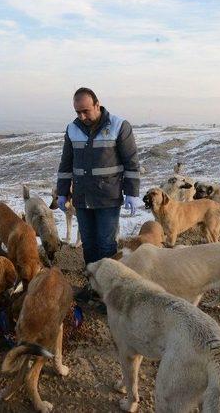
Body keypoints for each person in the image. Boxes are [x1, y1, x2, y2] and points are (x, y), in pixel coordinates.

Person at [56, 87, 140, 306]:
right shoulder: (72, 129)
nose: (82, 117)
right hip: (83, 199)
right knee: (90, 246)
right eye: (77, 112)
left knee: (106, 246)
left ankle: (110, 295)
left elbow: (131, 163)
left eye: (85, 111)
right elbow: (66, 165)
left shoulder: (119, 126)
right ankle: (93, 288)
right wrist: (63, 193)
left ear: (97, 104)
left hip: (107, 198)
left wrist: (132, 192)